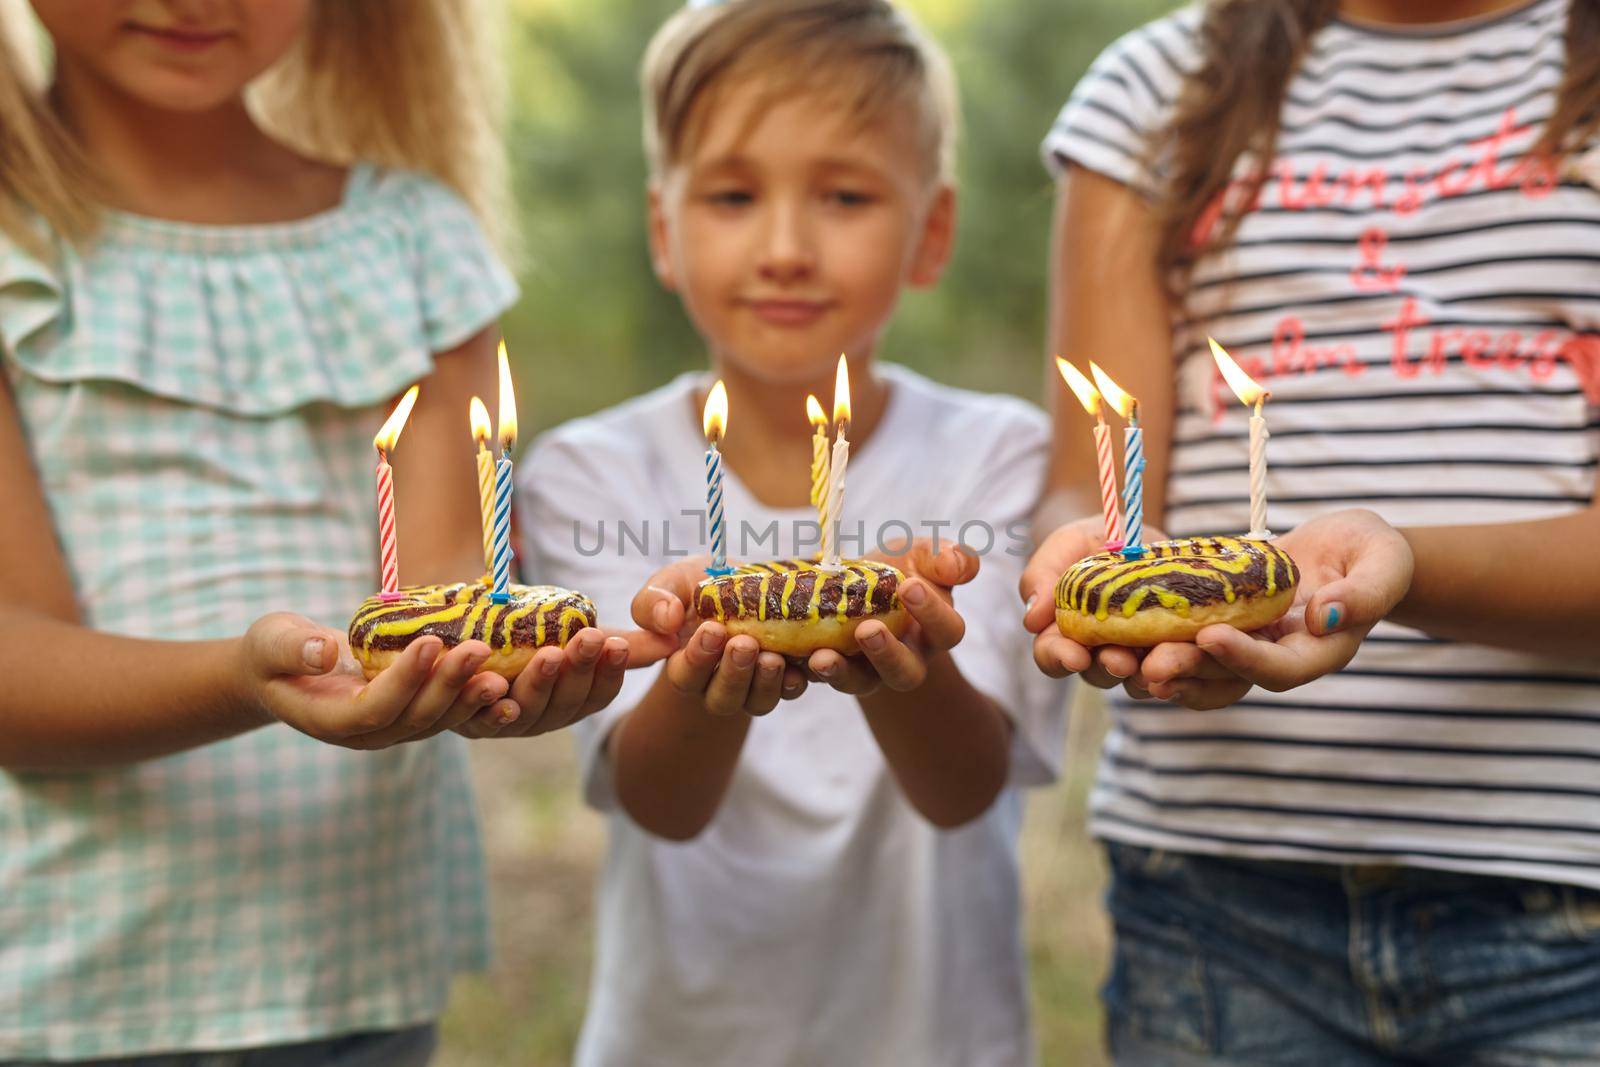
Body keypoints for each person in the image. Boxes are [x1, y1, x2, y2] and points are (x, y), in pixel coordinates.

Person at [0, 2, 661, 1062]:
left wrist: (494, 678)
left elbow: (447, 583)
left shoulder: (409, 237)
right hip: (70, 987)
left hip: (352, 971)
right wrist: (243, 678)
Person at [1023, 0, 1600, 1062]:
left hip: (1565, 903)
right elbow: (1091, 486)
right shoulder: (1155, 89)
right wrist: (1080, 557)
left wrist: (1407, 567)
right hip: (1211, 902)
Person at [514, 2, 1070, 1064]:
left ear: (932, 231)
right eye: (732, 194)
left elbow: (961, 788)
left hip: (933, 1033)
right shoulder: (590, 471)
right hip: (680, 1035)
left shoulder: (997, 456)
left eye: (845, 195)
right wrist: (698, 660)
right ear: (664, 232)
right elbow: (657, 801)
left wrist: (897, 656)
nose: (784, 248)